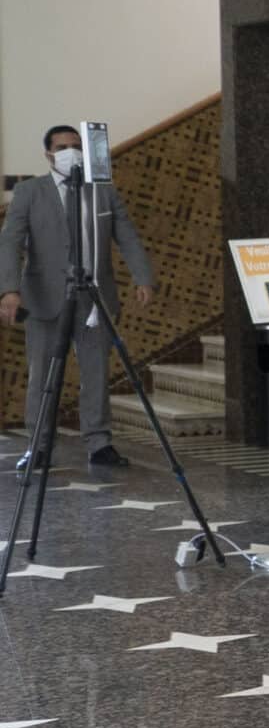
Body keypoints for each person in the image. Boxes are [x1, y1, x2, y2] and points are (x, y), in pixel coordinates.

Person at [0, 124, 155, 471]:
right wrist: (8, 290)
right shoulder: (29, 192)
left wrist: (143, 277)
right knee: (42, 377)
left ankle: (99, 442)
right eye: (62, 146)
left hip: (94, 299)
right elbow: (9, 241)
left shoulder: (102, 190)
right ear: (48, 154)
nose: (70, 152)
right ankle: (38, 446)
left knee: (96, 372)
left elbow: (126, 235)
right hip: (44, 299)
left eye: (75, 145)